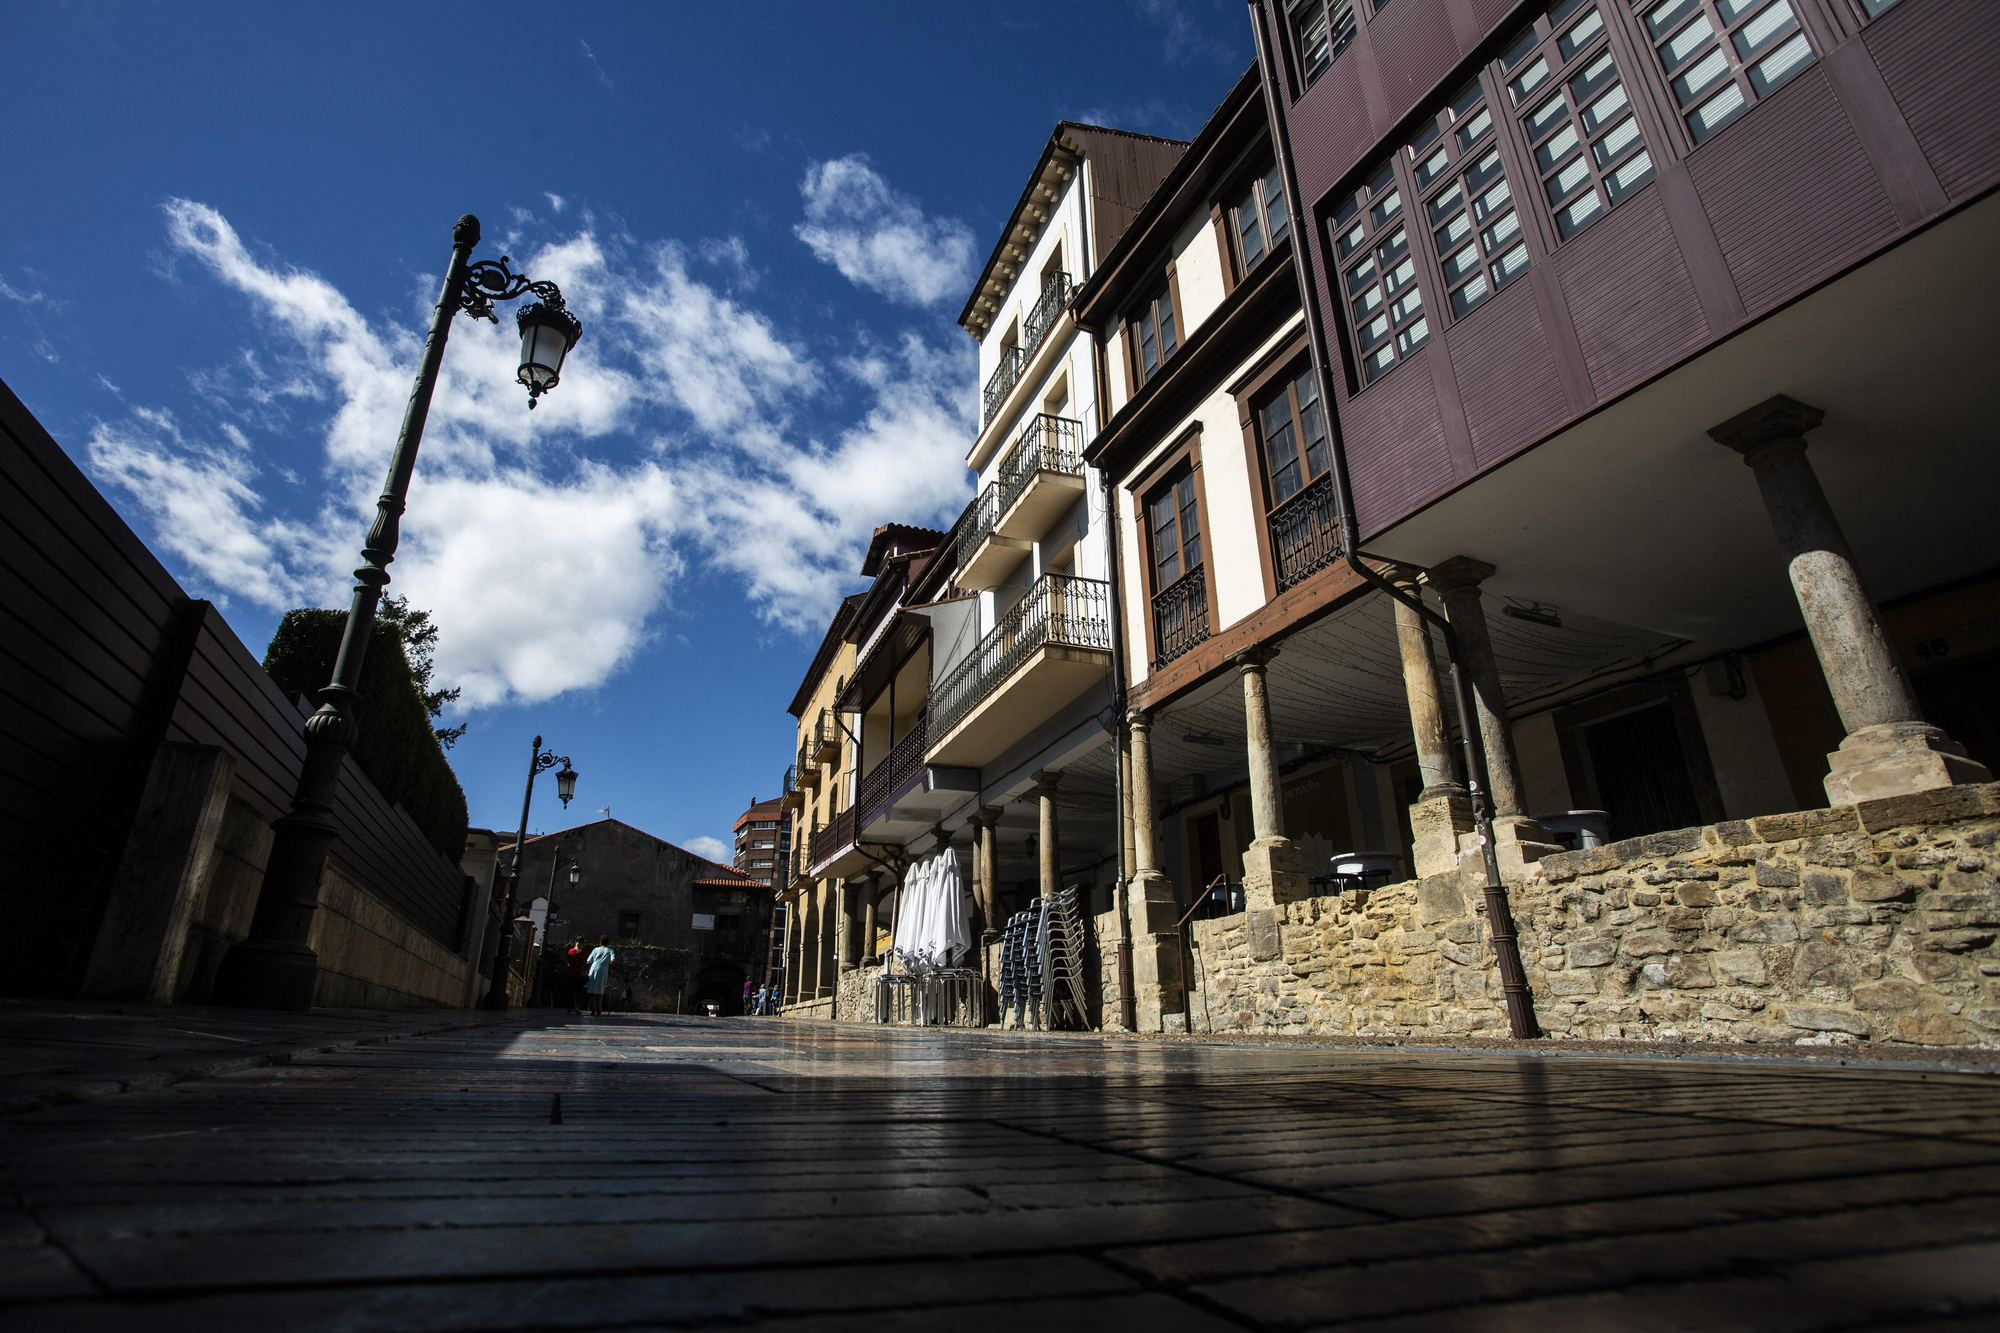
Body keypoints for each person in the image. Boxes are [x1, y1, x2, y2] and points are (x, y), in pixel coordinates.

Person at [585, 934, 615, 1017]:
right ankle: (599, 1008)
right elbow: (612, 961)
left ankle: (593, 1008)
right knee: (600, 989)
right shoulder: (610, 950)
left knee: (593, 990)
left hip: (594, 969)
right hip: (603, 970)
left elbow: (588, 961)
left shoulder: (595, 950)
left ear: (600, 942)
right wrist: (610, 968)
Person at [565, 940, 588, 1013]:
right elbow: (587, 963)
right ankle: (577, 1006)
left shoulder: (571, 951)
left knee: (571, 990)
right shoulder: (585, 953)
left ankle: (570, 1007)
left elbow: (569, 961)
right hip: (580, 974)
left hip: (571, 973)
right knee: (579, 991)